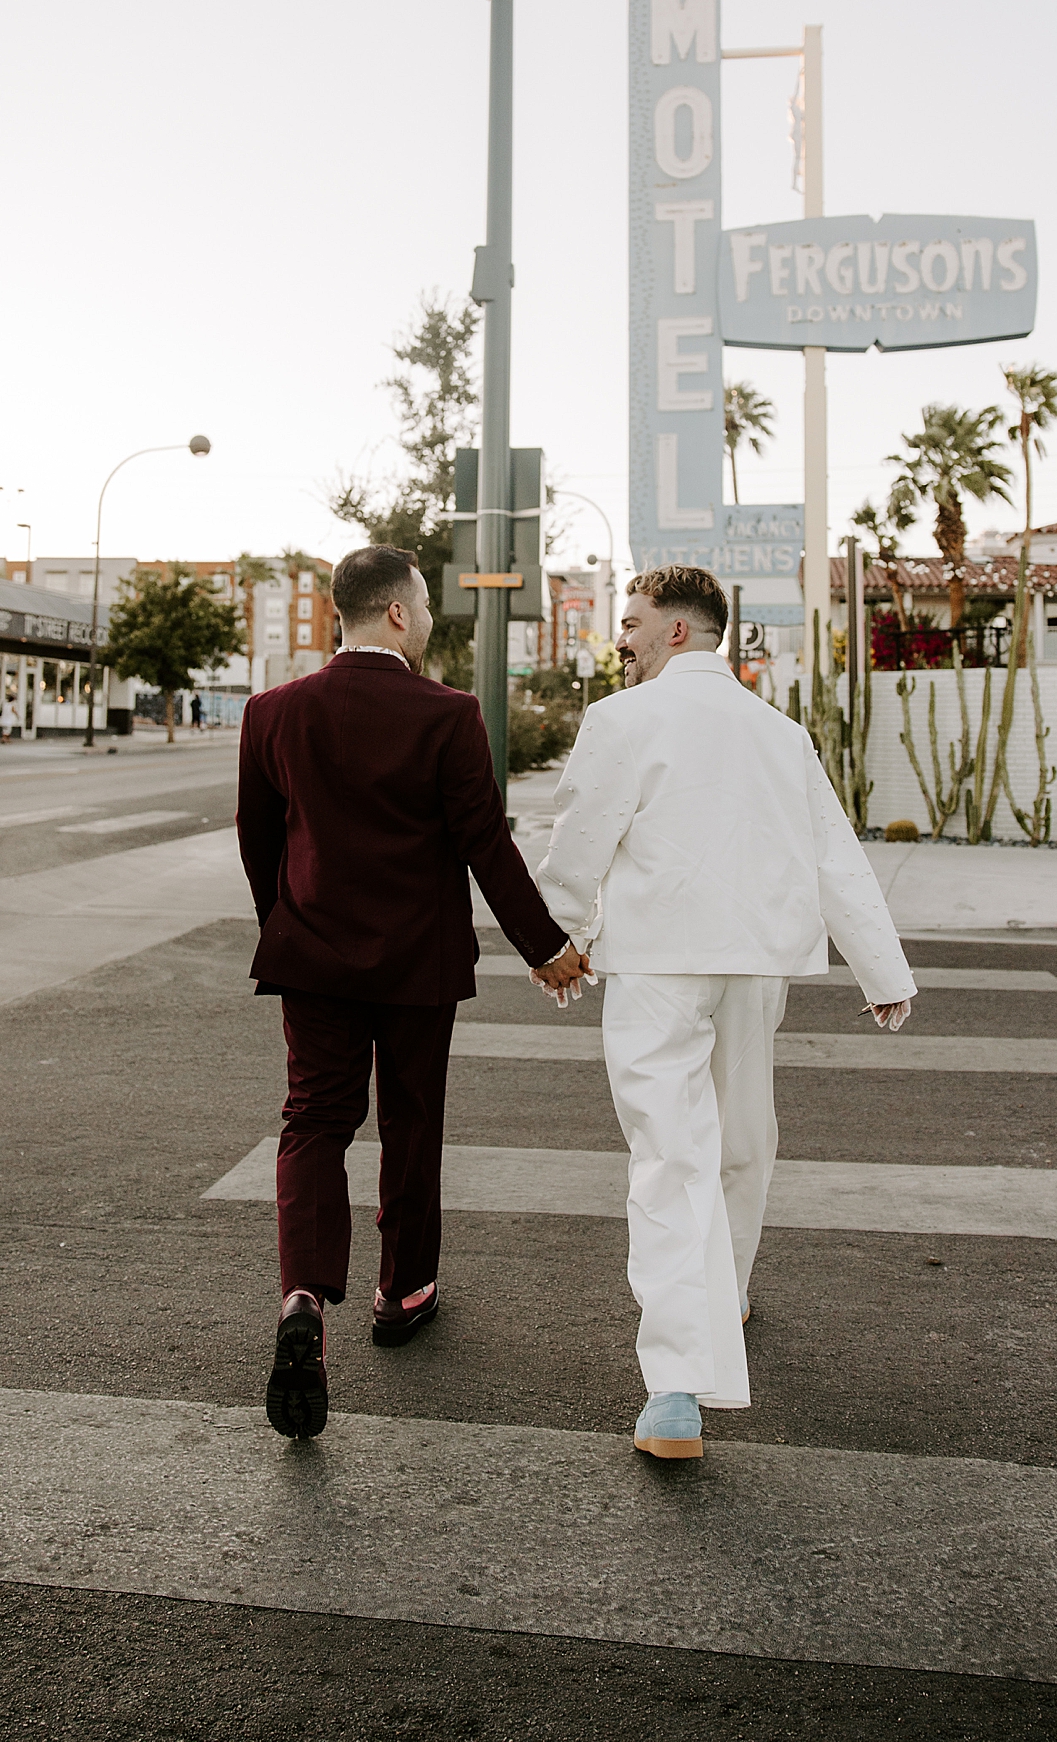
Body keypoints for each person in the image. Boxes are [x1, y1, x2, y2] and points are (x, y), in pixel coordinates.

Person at [535, 565, 916, 1463]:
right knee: (745, 1137)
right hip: (756, 962)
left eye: (630, 622)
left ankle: (675, 1390)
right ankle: (728, 1293)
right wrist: (881, 966)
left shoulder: (623, 720)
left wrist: (556, 938)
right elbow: (833, 852)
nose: (619, 637)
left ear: (675, 631)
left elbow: (582, 834)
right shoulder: (779, 731)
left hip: (659, 964)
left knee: (670, 1158)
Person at [237, 543, 588, 1441]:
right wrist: (546, 948)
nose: (430, 620)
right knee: (410, 1121)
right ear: (398, 612)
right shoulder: (449, 713)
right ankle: (403, 1291)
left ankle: (303, 1298)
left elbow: (260, 843)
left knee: (313, 1120)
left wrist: (292, 922)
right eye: (425, 606)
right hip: (417, 964)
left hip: (311, 956)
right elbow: (487, 846)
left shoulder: (273, 712)